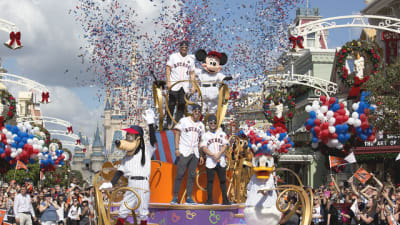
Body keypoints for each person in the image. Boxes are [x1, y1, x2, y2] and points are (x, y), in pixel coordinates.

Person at [170, 104, 205, 204]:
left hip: (195, 152)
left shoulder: (201, 125)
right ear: (192, 111)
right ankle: (175, 197)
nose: (197, 113)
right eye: (195, 111)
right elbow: (177, 133)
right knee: (180, 174)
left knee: (191, 175)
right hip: (184, 150)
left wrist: (201, 155)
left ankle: (189, 197)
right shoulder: (184, 120)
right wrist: (176, 148)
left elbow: (200, 141)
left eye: (199, 112)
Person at [200, 114, 230, 205]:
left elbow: (225, 145)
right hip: (210, 161)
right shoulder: (205, 135)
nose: (213, 124)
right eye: (211, 122)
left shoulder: (222, 134)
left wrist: (219, 154)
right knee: (210, 181)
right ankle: (209, 200)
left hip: (221, 161)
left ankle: (225, 200)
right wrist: (213, 156)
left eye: (214, 122)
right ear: (208, 124)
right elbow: (204, 148)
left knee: (223, 181)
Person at [165, 41, 196, 129]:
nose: (184, 49)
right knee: (171, 104)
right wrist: (168, 81)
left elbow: (192, 73)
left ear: (187, 48)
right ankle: (168, 122)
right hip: (174, 84)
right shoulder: (174, 57)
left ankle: (177, 123)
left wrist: (193, 86)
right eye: (182, 47)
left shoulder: (190, 59)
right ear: (180, 48)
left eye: (186, 48)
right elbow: (168, 69)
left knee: (182, 104)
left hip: (184, 86)